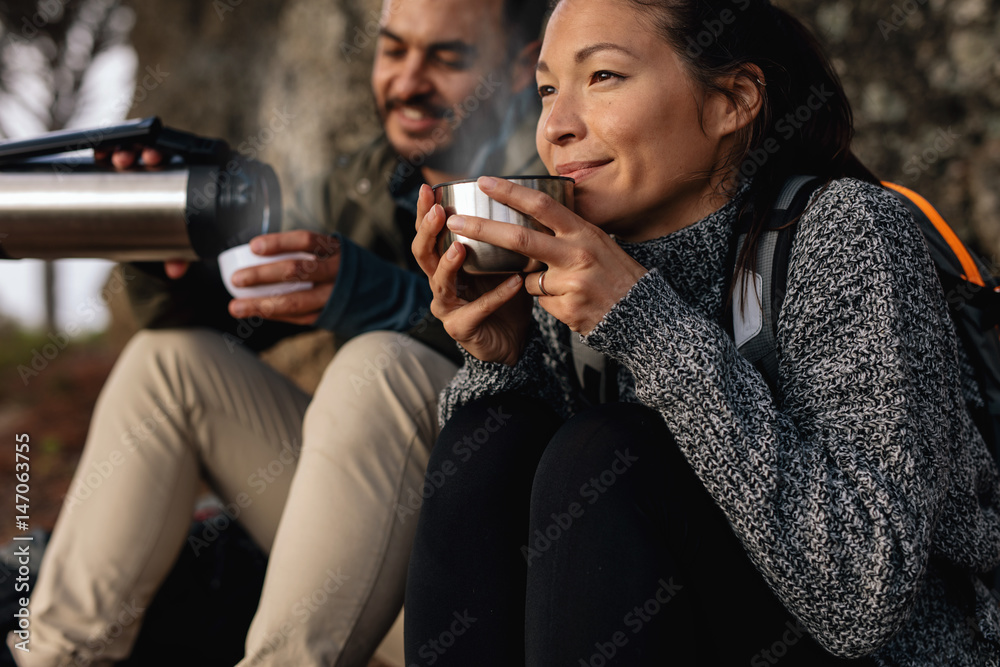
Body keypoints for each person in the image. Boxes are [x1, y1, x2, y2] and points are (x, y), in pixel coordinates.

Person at [407, 0, 1000, 664]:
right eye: (547, 89)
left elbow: (865, 597)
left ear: (732, 101)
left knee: (605, 451)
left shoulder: (844, 232)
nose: (556, 127)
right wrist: (501, 358)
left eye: (602, 76)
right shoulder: (578, 260)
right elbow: (556, 555)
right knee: (493, 439)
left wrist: (644, 321)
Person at [9, 0, 546, 665]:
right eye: (394, 50)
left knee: (376, 363)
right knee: (171, 362)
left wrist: (378, 298)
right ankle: (52, 656)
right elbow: (227, 307)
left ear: (523, 68)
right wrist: (164, 252)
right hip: (378, 577)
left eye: (447, 57)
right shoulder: (368, 180)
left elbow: (564, 368)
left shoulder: (554, 174)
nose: (407, 81)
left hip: (500, 596)